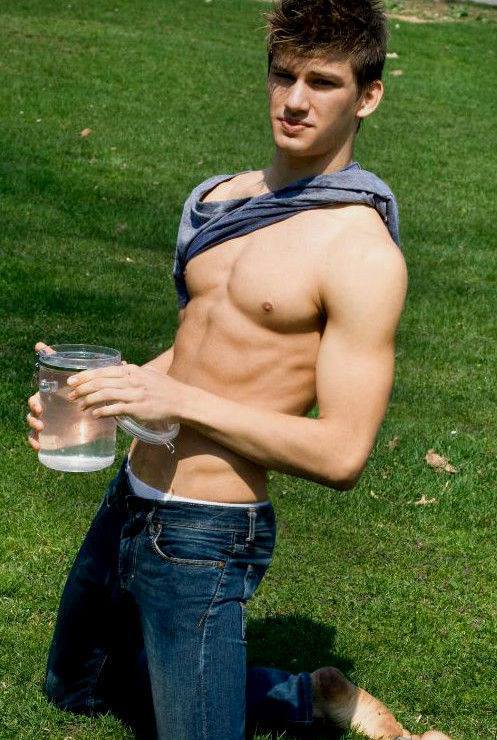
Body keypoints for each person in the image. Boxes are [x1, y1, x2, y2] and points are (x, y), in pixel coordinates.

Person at [27, 1, 452, 738]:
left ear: (368, 96)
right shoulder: (220, 198)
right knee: (78, 688)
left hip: (205, 530)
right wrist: (100, 396)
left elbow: (342, 454)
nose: (294, 100)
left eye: (323, 82)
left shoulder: (358, 253)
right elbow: (200, 349)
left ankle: (311, 699)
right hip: (131, 496)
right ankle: (307, 694)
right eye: (283, 76)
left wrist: (174, 398)